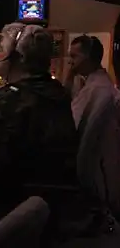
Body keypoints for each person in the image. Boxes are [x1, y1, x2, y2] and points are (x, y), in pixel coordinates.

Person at [0, 23, 78, 220]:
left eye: (1, 50)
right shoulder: (57, 91)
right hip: (48, 204)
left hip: (11, 203)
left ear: (19, 58)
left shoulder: (8, 100)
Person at [66, 35, 120, 225]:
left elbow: (69, 128)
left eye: (74, 56)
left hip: (94, 172)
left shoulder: (95, 90)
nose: (70, 62)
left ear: (88, 58)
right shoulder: (99, 84)